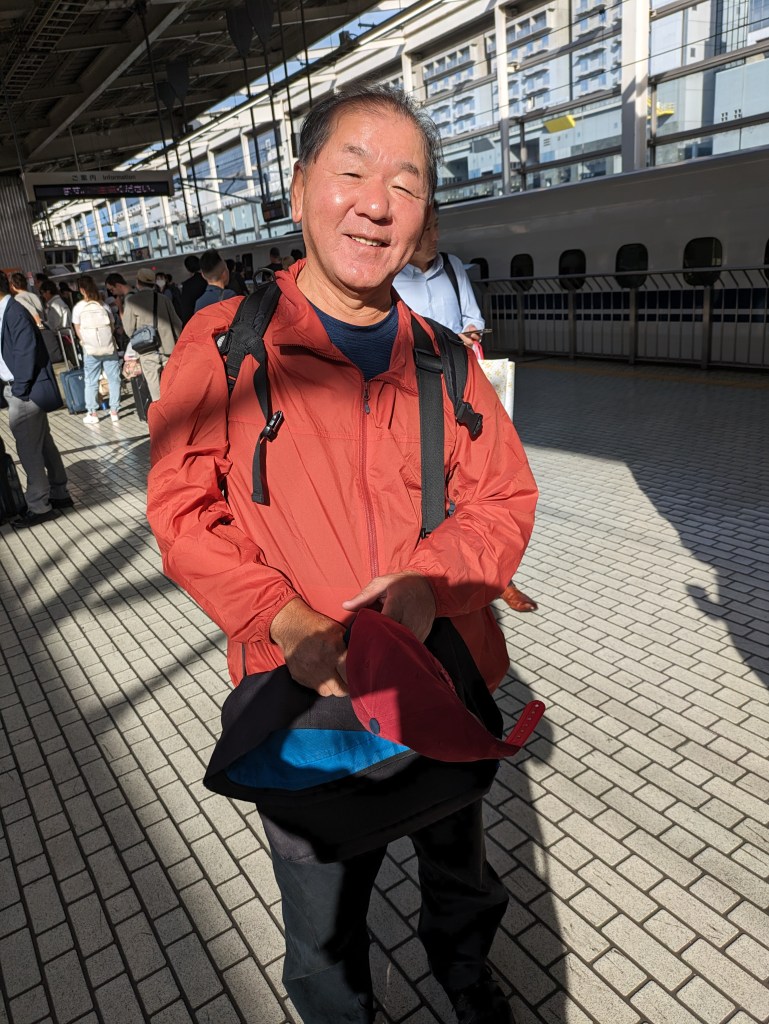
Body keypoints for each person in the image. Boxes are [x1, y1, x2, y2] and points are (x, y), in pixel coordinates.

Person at [146, 84, 537, 1024]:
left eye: (405, 184)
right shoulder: (228, 344)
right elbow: (182, 509)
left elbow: (503, 497)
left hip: (434, 676)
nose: (376, 204)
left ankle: (466, 978)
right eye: (351, 172)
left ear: (424, 217)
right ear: (297, 190)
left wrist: (429, 584)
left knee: (458, 864)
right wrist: (283, 620)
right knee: (322, 925)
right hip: (302, 690)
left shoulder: (445, 358)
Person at [394, 205, 539, 615]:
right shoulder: (391, 276)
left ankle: (497, 577)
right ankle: (433, 576)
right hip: (417, 397)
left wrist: (470, 332)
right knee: (430, 485)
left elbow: (472, 315)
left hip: (463, 392)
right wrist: (442, 339)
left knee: (479, 482)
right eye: (427, 229)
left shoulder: (454, 268)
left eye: (437, 227)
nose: (435, 236)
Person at [0, 271, 73, 527]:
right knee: (44, 444)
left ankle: (39, 506)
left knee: (28, 449)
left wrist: (19, 388)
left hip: (24, 390)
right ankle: (59, 493)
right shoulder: (8, 311)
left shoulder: (13, 312)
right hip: (23, 388)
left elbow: (26, 351)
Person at [122, 267, 181, 402]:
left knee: (156, 394)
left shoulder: (131, 301)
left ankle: (162, 414)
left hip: (146, 351)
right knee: (173, 388)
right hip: (168, 349)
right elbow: (177, 323)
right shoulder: (164, 299)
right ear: (153, 283)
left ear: (138, 282)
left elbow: (129, 329)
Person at [71, 275, 122, 425]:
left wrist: (85, 342)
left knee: (91, 381)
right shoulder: (103, 305)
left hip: (90, 350)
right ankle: (114, 411)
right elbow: (112, 325)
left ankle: (92, 413)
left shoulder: (79, 308)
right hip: (108, 348)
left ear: (81, 290)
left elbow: (77, 329)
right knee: (114, 378)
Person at [179, 254, 207, 324]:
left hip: (197, 320)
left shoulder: (187, 285)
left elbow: (186, 308)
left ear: (188, 269)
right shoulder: (207, 279)